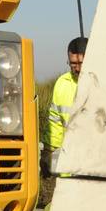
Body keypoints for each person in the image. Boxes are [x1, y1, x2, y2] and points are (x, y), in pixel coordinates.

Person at [43, 36, 87, 174]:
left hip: (97, 164)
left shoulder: (103, 81)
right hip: (68, 166)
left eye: (81, 63)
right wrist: (48, 151)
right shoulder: (61, 83)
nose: (78, 68)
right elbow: (55, 122)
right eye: (73, 63)